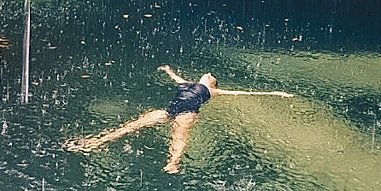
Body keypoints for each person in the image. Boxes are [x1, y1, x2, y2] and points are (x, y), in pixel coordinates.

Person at [63, 65, 293, 174]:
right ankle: (94, 143)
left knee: (179, 137)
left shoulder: (213, 91)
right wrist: (167, 70)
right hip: (169, 110)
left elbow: (244, 94)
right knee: (131, 125)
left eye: (213, 77)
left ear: (212, 83)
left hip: (186, 114)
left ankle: (172, 163)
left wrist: (276, 93)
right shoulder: (189, 83)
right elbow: (177, 78)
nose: (210, 74)